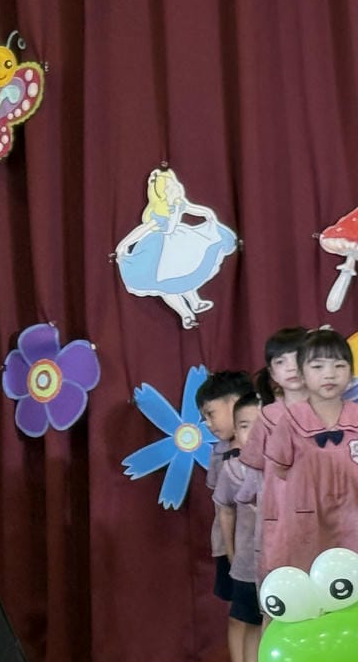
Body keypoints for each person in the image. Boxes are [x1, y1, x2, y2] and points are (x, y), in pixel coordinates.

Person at [266, 328, 358, 572]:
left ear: (351, 373)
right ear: (302, 374)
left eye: (339, 365)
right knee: (312, 576)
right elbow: (279, 470)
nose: (329, 374)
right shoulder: (290, 422)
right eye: (318, 366)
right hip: (308, 522)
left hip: (353, 520)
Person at [114, 168, 237, 329]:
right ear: (162, 194)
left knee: (186, 272)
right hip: (158, 252)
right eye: (169, 188)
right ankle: (185, 314)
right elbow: (143, 230)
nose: (175, 188)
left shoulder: (179, 204)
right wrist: (124, 244)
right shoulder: (161, 214)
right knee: (167, 285)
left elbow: (192, 208)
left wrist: (207, 213)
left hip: (178, 242)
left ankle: (194, 302)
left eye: (174, 185)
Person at [238, 327, 308, 584]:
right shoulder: (269, 416)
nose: (291, 367)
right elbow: (254, 468)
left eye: (299, 357)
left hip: (330, 516)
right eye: (281, 361)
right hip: (283, 520)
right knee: (286, 584)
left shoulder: (336, 411)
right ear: (272, 373)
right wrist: (247, 497)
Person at [195, 370, 255, 662]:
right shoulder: (219, 452)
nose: (208, 423)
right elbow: (222, 507)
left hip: (261, 548)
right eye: (204, 418)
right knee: (238, 614)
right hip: (231, 547)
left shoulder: (268, 446)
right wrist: (230, 552)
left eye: (210, 414)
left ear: (235, 402)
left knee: (260, 616)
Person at [212, 393, 263, 662]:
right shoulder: (231, 469)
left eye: (260, 425)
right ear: (235, 429)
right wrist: (231, 553)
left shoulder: (286, 466)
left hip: (281, 563)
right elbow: (226, 510)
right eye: (244, 426)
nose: (253, 433)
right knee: (250, 622)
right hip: (247, 565)